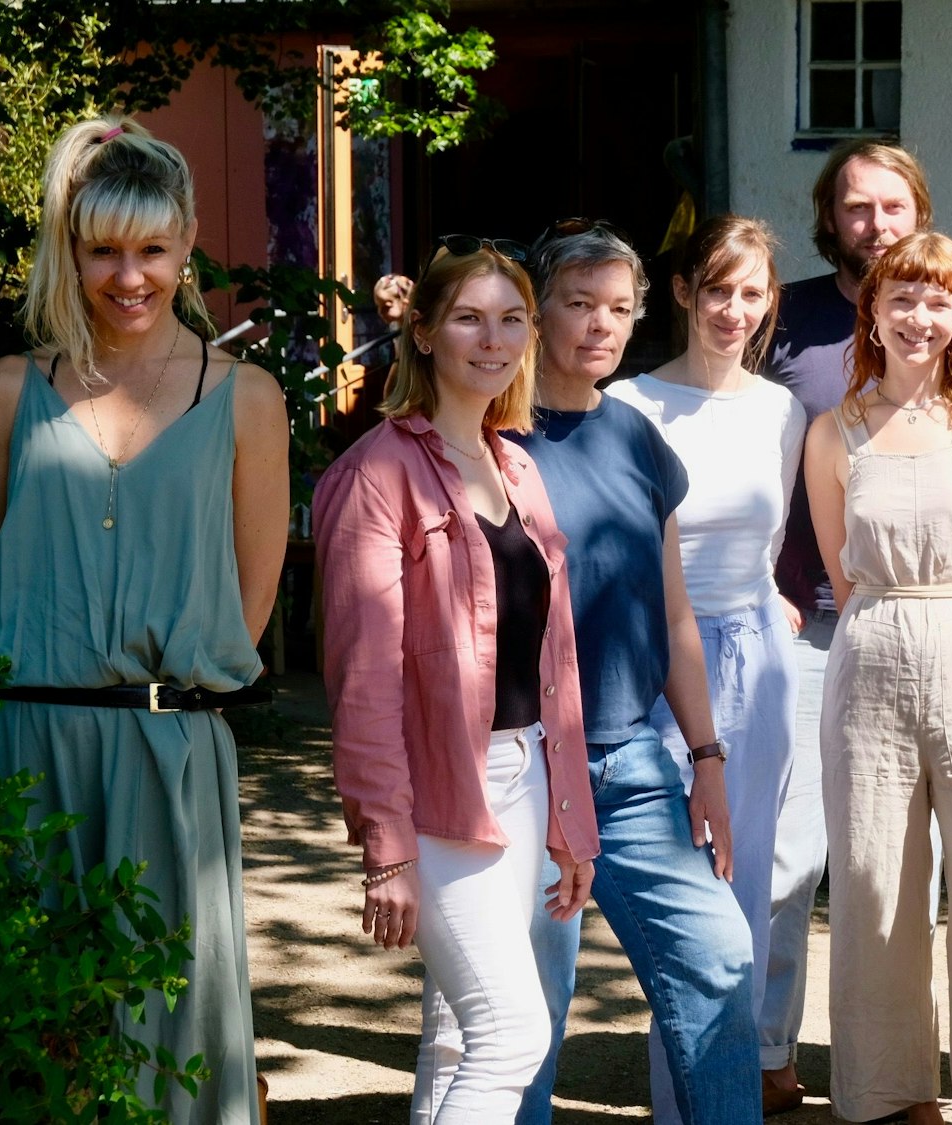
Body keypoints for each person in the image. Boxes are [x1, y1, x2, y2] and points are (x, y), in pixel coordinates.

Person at [0, 115, 288, 1123]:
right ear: (70, 248)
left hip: (168, 752)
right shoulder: (8, 392)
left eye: (151, 248)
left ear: (188, 245)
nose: (128, 276)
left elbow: (250, 603)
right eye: (102, 250)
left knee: (165, 1031)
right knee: (22, 1036)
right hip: (20, 749)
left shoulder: (246, 397)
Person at [315, 239, 600, 1122]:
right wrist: (387, 847)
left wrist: (570, 821)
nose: (494, 338)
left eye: (511, 319)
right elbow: (363, 680)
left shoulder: (517, 464)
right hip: (438, 790)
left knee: (455, 1037)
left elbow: (555, 661)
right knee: (512, 1033)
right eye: (470, 318)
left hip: (526, 774)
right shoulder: (375, 474)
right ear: (425, 332)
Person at [764, 148, 952, 1079]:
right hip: (828, 625)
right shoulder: (787, 323)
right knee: (820, 863)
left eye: (893, 205)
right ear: (830, 218)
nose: (875, 222)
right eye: (855, 206)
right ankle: (782, 1058)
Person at [511, 223, 760, 1124]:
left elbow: (675, 615)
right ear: (536, 311)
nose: (600, 325)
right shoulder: (490, 437)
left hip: (630, 762)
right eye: (578, 303)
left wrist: (707, 756)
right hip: (524, 766)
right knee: (527, 1012)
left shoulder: (637, 439)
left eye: (618, 308)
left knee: (720, 959)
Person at [803, 231, 952, 1125]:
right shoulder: (834, 429)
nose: (919, 316)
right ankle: (891, 1096)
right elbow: (842, 575)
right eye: (901, 297)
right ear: (871, 309)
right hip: (871, 655)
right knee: (875, 887)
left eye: (938, 299)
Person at [600, 215, 815, 1118]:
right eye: (717, 289)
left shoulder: (783, 411)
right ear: (684, 291)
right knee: (690, 910)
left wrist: (772, 607)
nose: (734, 309)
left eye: (752, 293)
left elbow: (771, 542)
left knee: (750, 889)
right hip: (659, 667)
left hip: (760, 665)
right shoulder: (628, 403)